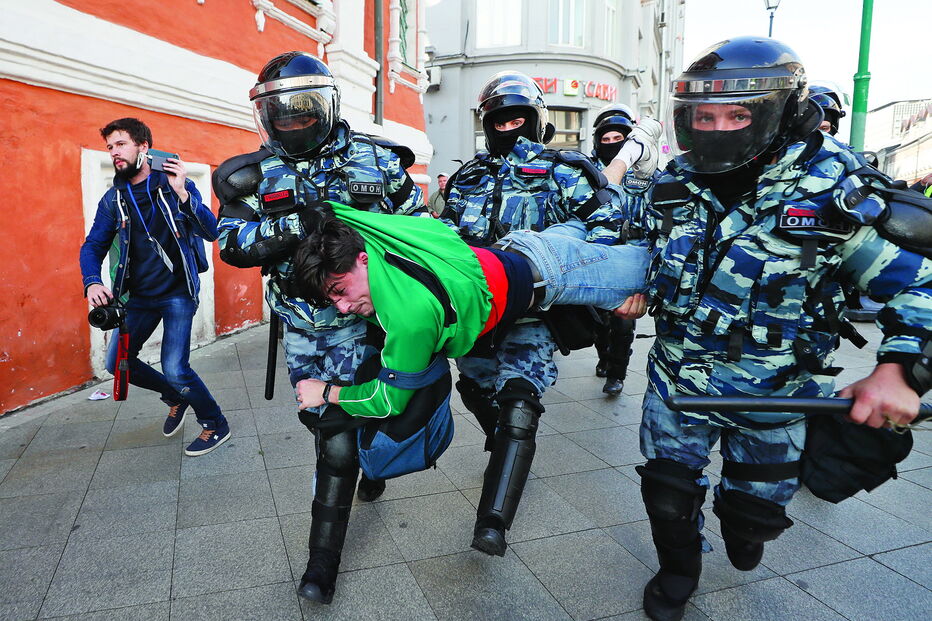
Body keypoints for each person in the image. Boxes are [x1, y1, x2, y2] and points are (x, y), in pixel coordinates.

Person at [615, 37, 932, 621]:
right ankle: (677, 569)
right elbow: (631, 243)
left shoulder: (833, 190)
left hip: (776, 392)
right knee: (666, 494)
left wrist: (899, 370)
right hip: (678, 380)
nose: (717, 129)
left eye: (737, 115)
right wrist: (633, 285)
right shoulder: (672, 185)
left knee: (754, 518)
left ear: (780, 113)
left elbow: (921, 283)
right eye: (703, 117)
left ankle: (745, 528)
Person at [213, 52, 424, 604]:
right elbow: (232, 246)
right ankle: (363, 458)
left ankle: (321, 565)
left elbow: (422, 229)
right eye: (280, 110)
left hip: (366, 323)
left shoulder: (378, 162)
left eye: (302, 109)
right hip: (304, 327)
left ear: (325, 106)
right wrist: (295, 221)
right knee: (324, 424)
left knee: (338, 437)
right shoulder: (251, 175)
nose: (292, 120)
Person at [442, 71, 658, 556]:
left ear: (537, 120)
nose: (508, 126)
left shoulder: (567, 169)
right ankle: (502, 445)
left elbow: (605, 230)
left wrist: (597, 282)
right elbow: (445, 237)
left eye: (517, 116)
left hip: (535, 311)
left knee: (521, 395)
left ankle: (493, 521)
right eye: (499, 118)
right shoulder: (467, 177)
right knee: (476, 385)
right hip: (476, 309)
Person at [80, 118, 228, 456]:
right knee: (117, 361)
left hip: (177, 292)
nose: (114, 153)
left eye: (120, 144)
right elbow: (92, 246)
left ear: (143, 147)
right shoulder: (113, 199)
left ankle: (215, 423)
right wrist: (92, 281)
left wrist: (183, 193)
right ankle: (176, 397)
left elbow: (211, 231)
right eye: (109, 148)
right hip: (137, 298)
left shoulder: (171, 184)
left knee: (176, 367)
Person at [588, 103, 656, 396]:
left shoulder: (648, 171)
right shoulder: (587, 172)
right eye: (607, 140)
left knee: (624, 321)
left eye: (619, 139)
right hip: (600, 254)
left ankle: (617, 373)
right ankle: (605, 357)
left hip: (633, 255)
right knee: (598, 318)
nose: (613, 145)